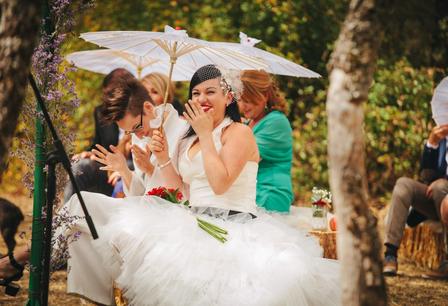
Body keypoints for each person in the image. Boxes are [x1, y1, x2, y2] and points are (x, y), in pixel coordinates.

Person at [0, 65, 340, 305]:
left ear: (228, 96)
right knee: (110, 226)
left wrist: (205, 134)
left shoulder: (240, 133)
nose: (203, 98)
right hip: (192, 216)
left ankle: (21, 262)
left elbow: (220, 185)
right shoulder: (189, 138)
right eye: (196, 93)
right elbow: (183, 190)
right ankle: (69, 281)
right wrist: (156, 161)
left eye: (211, 92)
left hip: (232, 223)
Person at [383, 124, 448, 279]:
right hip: (437, 196)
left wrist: (444, 182)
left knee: (440, 187)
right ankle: (390, 255)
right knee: (403, 185)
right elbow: (426, 176)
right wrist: (432, 144)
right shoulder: (447, 134)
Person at [63, 68, 134, 202]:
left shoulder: (142, 112)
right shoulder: (101, 112)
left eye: (112, 94)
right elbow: (98, 144)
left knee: (128, 164)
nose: (107, 99)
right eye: (105, 94)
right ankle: (67, 215)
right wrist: (89, 153)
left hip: (133, 168)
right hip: (107, 167)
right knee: (80, 166)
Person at [237, 70, 293, 213]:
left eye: (248, 100)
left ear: (265, 96)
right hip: (252, 193)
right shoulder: (251, 121)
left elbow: (243, 157)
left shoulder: (276, 122)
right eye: (241, 100)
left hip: (270, 194)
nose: (243, 106)